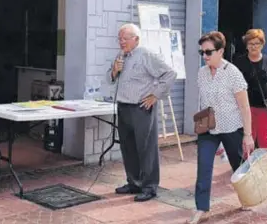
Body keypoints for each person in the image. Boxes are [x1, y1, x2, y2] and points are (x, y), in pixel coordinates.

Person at [187, 31, 254, 224]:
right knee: (204, 166)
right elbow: (206, 101)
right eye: (202, 53)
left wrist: (248, 135)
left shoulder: (233, 73)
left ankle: (246, 198)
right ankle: (201, 207)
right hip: (209, 127)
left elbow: (244, 106)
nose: (205, 56)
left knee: (238, 166)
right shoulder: (202, 73)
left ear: (221, 51)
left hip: (232, 127)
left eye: (209, 52)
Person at [107, 23, 177, 202]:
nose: (121, 42)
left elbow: (170, 74)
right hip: (123, 106)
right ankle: (133, 182)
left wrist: (155, 95)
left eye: (125, 38)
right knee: (128, 147)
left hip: (141, 108)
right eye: (119, 38)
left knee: (146, 148)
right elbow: (110, 78)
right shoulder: (121, 56)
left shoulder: (146, 55)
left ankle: (149, 187)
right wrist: (115, 70)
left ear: (136, 39)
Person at [234, 29, 267, 150]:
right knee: (247, 137)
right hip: (245, 107)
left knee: (263, 137)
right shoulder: (240, 62)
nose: (254, 46)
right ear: (246, 45)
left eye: (257, 43)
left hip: (265, 107)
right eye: (250, 43)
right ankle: (247, 165)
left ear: (262, 44)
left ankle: (265, 165)